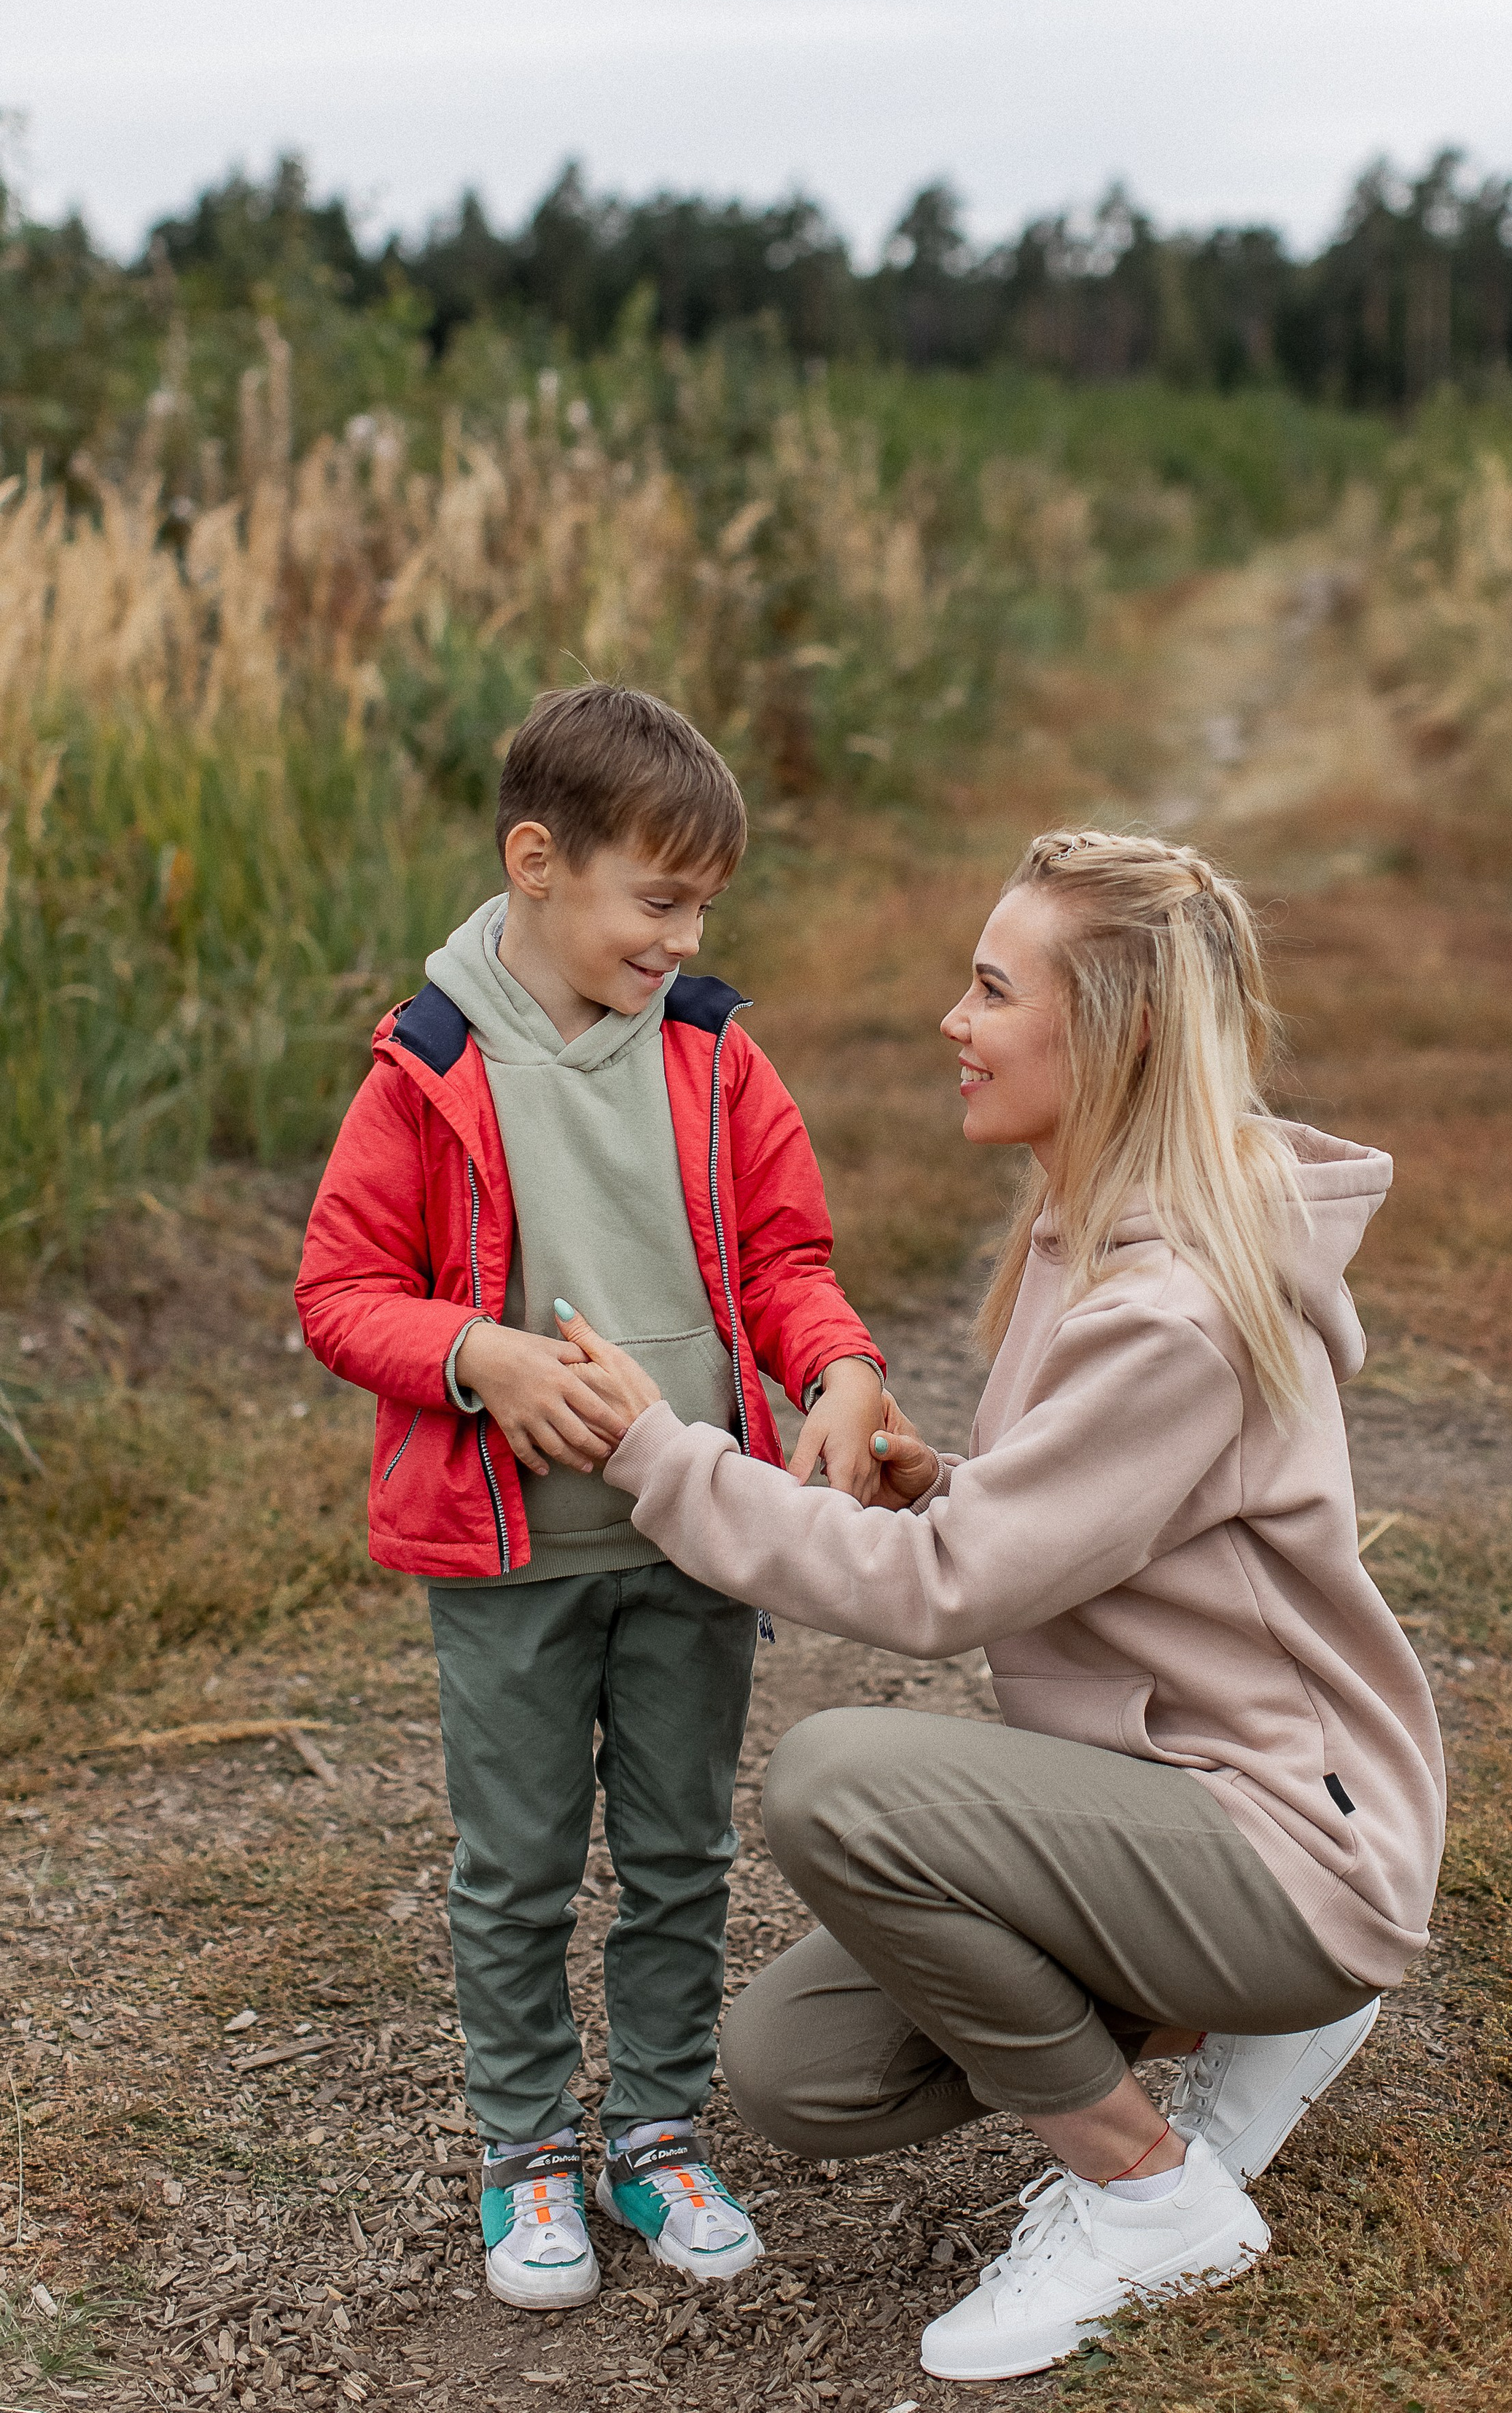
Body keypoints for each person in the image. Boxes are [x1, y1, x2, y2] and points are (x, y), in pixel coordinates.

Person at [549, 825, 1448, 2382]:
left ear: (1117, 1032)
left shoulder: (1176, 1307)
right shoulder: (1090, 1219)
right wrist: (941, 1478)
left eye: (988, 991)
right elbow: (1071, 1525)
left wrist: (657, 1457)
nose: (951, 1027)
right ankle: (1249, 2013)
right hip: (1180, 1800)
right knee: (799, 2073)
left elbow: (942, 1598)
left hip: (1286, 1837)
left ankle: (1145, 2192)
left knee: (840, 1781)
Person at [295, 685, 887, 2309]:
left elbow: (785, 1259)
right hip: (509, 1558)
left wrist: (830, 1367)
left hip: (692, 1534)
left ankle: (651, 2134)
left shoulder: (710, 1053)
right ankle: (523, 2152)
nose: (682, 936)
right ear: (537, 861)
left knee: (683, 1850)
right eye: (659, 899)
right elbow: (342, 1291)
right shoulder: (425, 1066)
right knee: (519, 1862)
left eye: (702, 906)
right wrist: (476, 1352)